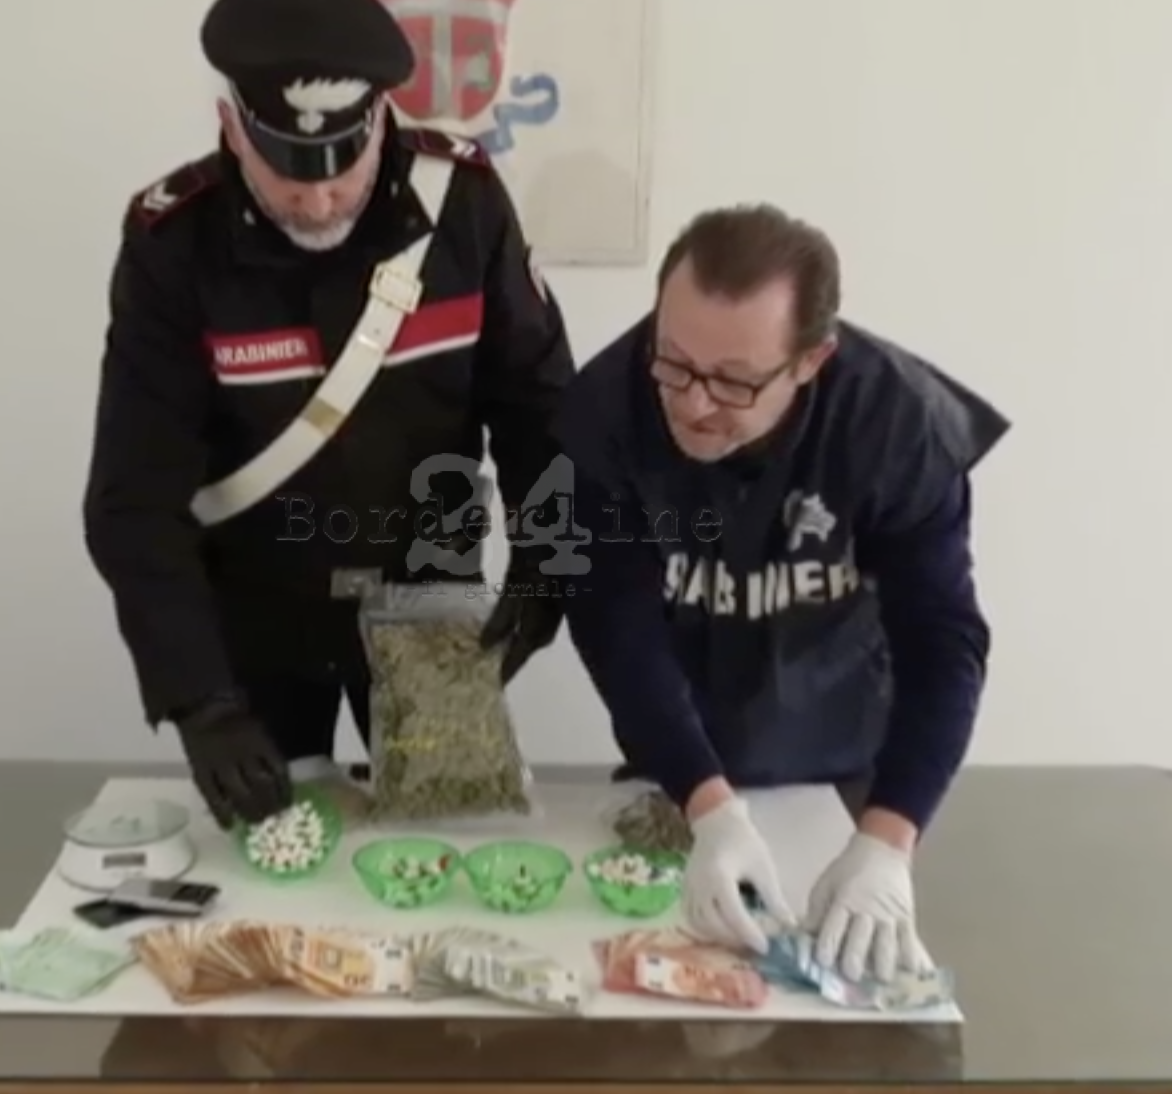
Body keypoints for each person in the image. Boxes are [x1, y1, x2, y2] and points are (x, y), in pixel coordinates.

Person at [82, 0, 575, 831]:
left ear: (382, 118)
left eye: (342, 168)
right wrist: (199, 700)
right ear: (232, 128)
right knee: (273, 857)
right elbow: (134, 497)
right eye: (288, 171)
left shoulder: (464, 206)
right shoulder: (174, 245)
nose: (317, 201)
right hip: (257, 619)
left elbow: (541, 406)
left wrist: (547, 560)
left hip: (429, 597)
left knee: (444, 845)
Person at [556, 204, 1009, 983]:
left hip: (848, 768)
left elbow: (943, 641)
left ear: (810, 360)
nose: (693, 403)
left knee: (846, 989)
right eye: (674, 362)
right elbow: (616, 628)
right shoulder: (605, 409)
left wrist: (888, 842)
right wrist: (708, 806)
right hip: (680, 757)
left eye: (734, 381)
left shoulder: (896, 423)